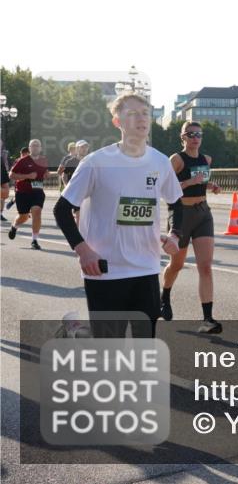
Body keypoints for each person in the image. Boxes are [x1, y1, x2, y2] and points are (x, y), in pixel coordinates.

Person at [54, 92, 184, 338]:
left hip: (146, 267)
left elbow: (176, 203)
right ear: (117, 122)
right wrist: (83, 251)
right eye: (132, 114)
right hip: (104, 270)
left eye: (145, 113)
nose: (141, 118)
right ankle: (76, 332)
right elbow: (61, 209)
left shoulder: (160, 162)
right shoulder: (96, 162)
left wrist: (174, 234)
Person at [159, 121, 223, 334]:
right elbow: (164, 188)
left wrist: (210, 186)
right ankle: (164, 297)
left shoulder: (206, 159)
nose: (196, 138)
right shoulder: (176, 160)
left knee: (205, 266)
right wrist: (188, 182)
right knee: (176, 264)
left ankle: (208, 319)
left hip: (203, 213)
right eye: (191, 134)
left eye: (199, 134)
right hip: (181, 214)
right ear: (183, 137)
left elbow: (201, 182)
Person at [8, 139, 49, 250]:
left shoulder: (43, 160)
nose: (35, 147)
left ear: (40, 148)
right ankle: (14, 227)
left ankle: (34, 240)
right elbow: (11, 175)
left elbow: (44, 172)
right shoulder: (23, 160)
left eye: (37, 146)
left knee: (37, 212)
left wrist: (46, 174)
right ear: (29, 148)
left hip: (37, 192)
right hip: (23, 192)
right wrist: (27, 176)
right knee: (23, 216)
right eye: (33, 146)